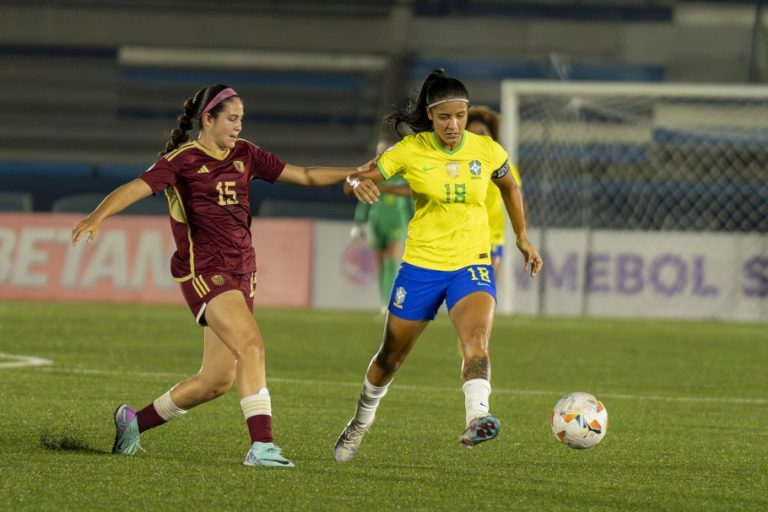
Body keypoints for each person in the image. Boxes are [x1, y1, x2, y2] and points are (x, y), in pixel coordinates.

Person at [71, 84, 376, 468]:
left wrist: (355, 173)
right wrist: (97, 216)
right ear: (208, 119)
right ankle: (261, 446)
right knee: (251, 345)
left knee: (216, 380)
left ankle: (134, 421)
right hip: (205, 270)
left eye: (241, 119)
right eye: (231, 118)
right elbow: (136, 187)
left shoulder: (246, 154)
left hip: (242, 271)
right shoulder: (180, 160)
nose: (238, 126)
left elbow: (306, 175)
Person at [334, 69, 543, 462]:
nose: (454, 124)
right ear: (431, 116)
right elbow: (355, 178)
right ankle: (360, 421)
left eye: (460, 116)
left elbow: (509, 186)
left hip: (472, 263)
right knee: (389, 358)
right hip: (422, 267)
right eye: (445, 117)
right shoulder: (410, 150)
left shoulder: (486, 150)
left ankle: (477, 417)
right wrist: (354, 183)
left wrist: (522, 238)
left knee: (477, 342)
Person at [350, 136, 414, 314]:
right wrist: (359, 222)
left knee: (391, 260)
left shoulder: (403, 176)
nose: (381, 154)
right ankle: (384, 302)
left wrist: (414, 221)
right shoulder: (373, 176)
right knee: (380, 264)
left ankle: (391, 301)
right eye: (379, 151)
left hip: (396, 222)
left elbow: (412, 199)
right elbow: (363, 199)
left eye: (385, 151)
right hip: (376, 223)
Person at [466, 105, 522, 276]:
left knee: (485, 284)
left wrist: (522, 228)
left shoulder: (504, 166)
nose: (477, 139)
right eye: (472, 135)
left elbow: (514, 195)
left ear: (492, 136)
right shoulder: (455, 167)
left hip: (492, 237)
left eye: (482, 133)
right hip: (462, 235)